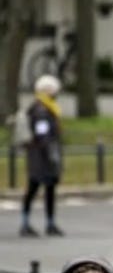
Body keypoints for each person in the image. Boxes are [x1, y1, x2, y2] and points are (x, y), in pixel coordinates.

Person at [21, 75, 65, 237]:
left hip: (41, 157)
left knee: (48, 189)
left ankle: (50, 222)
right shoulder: (41, 110)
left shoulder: (47, 107)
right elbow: (43, 135)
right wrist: (52, 155)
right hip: (41, 158)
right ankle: (26, 223)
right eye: (54, 91)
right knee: (34, 188)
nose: (56, 93)